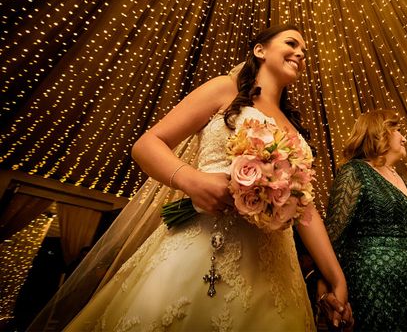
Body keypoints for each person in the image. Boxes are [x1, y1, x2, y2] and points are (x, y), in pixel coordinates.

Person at [61, 24, 353, 331]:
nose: (300, 53)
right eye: (292, 43)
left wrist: (335, 277)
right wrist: (191, 181)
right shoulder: (224, 89)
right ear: (260, 50)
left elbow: (304, 209)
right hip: (204, 246)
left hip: (275, 268)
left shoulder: (294, 128)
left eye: (305, 52)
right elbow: (146, 145)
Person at [322, 109, 407, 331]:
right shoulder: (354, 171)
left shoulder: (403, 179)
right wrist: (327, 287)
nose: (404, 138)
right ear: (379, 131)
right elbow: (334, 234)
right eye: (398, 130)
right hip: (376, 286)